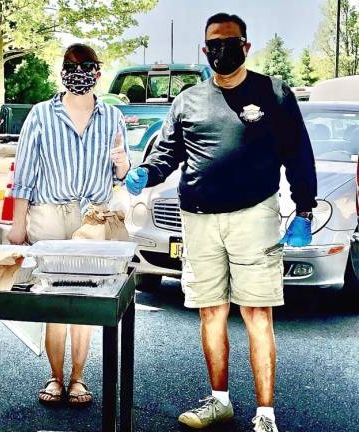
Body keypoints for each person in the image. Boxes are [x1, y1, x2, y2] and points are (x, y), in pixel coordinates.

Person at [125, 13, 317, 432]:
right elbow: (168, 154)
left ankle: (265, 414)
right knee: (211, 312)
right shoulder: (188, 100)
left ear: (246, 47)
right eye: (214, 44)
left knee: (256, 314)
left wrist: (304, 210)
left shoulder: (274, 93)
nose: (221, 51)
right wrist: (147, 173)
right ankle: (220, 401)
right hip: (198, 221)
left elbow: (298, 154)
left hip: (254, 217)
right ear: (204, 50)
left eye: (230, 43)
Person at [7, 43, 130, 406]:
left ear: (98, 72)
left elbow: (121, 173)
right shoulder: (41, 115)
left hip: (93, 217)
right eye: (70, 65)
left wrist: (122, 163)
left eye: (86, 65)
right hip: (47, 215)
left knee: (85, 298)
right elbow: (24, 175)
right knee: (54, 299)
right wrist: (17, 227)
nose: (78, 72)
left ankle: (78, 378)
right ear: (61, 71)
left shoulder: (113, 118)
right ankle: (55, 376)